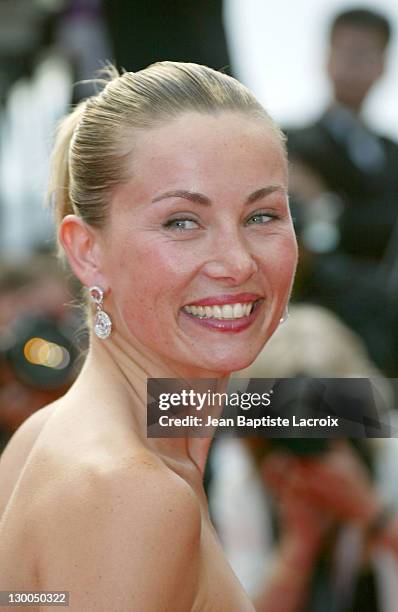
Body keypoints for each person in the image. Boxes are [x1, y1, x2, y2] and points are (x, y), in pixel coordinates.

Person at [0, 61, 299, 611]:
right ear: (86, 251)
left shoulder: (48, 435)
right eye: (181, 222)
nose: (237, 263)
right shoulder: (131, 493)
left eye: (262, 216)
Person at [287, 8, 398, 375]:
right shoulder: (290, 143)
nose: (355, 64)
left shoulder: (390, 152)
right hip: (319, 319)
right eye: (346, 51)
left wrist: (326, 202)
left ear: (383, 64)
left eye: (367, 53)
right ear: (327, 58)